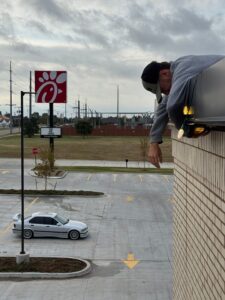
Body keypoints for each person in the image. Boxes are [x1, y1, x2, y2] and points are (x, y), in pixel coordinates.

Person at [141, 55, 225, 168]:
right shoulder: (176, 71)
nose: (165, 93)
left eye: (163, 89)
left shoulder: (182, 68)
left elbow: (173, 106)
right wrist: (154, 141)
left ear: (164, 73)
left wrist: (187, 131)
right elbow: (163, 107)